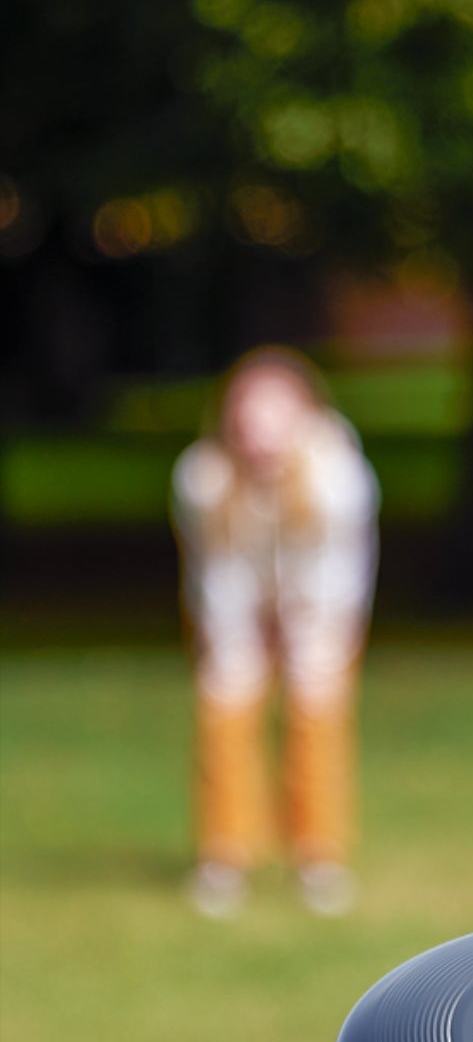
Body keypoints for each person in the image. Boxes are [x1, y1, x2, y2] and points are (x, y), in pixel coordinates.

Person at [172, 347, 379, 918]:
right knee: (225, 708)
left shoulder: (338, 476)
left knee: (317, 715)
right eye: (248, 414)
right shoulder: (203, 478)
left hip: (320, 608)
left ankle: (319, 857)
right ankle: (225, 856)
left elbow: (337, 572)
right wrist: (238, 640)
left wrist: (305, 633)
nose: (259, 431)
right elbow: (216, 572)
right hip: (234, 606)